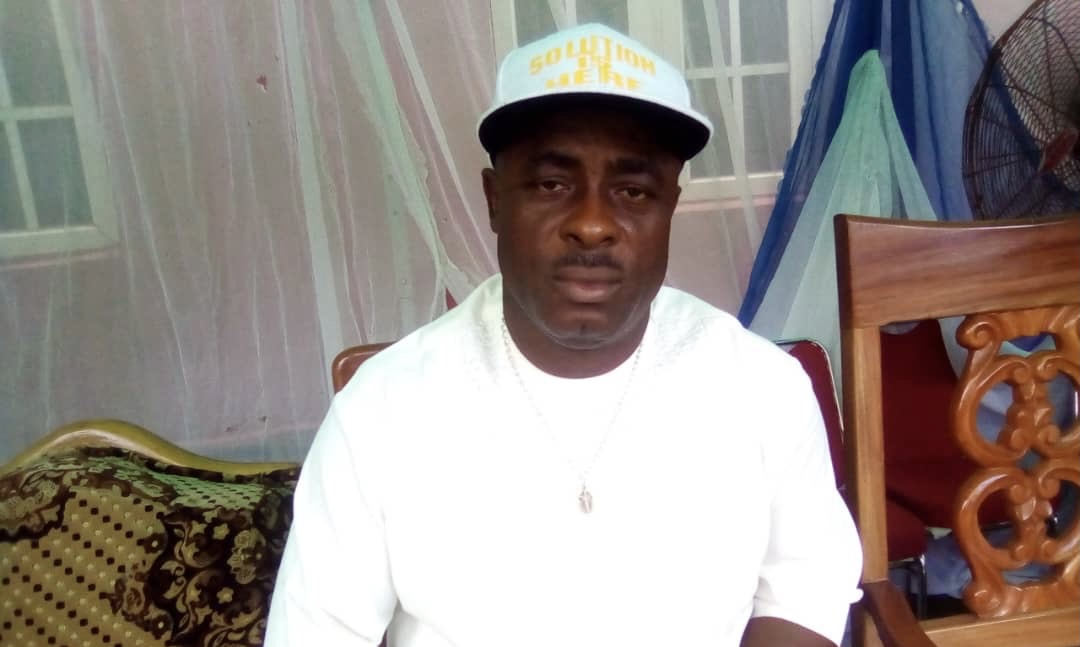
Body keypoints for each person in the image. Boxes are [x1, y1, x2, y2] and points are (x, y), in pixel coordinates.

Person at [266, 22, 861, 647]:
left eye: (633, 191)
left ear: (670, 207)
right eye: (552, 184)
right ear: (495, 201)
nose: (593, 224)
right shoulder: (382, 411)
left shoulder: (760, 386)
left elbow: (805, 585)